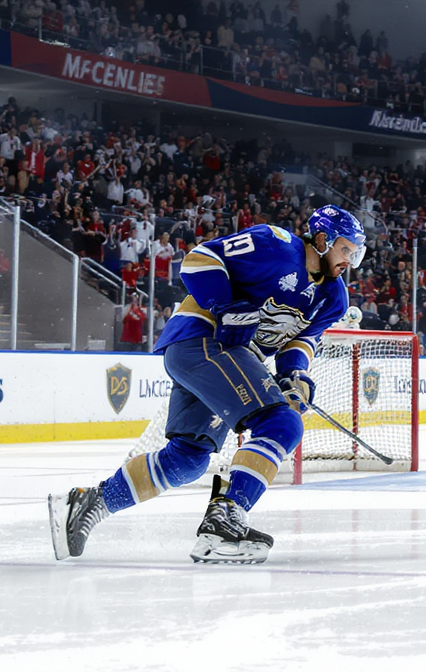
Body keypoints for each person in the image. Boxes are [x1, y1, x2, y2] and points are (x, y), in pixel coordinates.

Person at [47, 205, 362, 564]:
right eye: (346, 250)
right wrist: (226, 306)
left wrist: (295, 374)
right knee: (282, 422)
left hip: (217, 355)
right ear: (321, 240)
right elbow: (199, 259)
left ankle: (89, 504)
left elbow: (301, 340)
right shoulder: (274, 244)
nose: (350, 261)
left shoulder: (334, 298)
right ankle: (226, 517)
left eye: (355, 253)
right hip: (203, 339)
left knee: (188, 459)